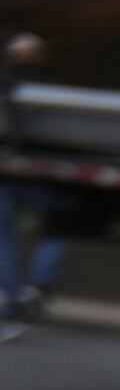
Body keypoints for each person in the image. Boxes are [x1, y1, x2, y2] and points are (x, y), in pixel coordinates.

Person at [1, 32, 59, 340]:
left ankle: (13, 307)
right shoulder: (49, 89)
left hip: (5, 177)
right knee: (62, 225)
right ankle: (39, 281)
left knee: (5, 242)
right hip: (39, 177)